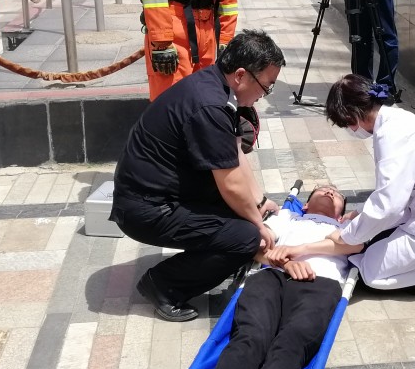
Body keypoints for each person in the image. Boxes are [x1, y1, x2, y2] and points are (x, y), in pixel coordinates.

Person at [170, 184, 351, 369]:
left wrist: (312, 245)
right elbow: (254, 246)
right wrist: (282, 261)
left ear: (342, 214)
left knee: (290, 345)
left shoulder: (347, 230)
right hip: (271, 276)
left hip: (321, 284)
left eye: (336, 193)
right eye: (322, 189)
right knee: (249, 337)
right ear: (305, 206)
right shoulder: (288, 219)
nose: (329, 191)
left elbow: (357, 245)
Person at [110, 29, 285, 322]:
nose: (263, 96)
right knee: (246, 238)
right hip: (146, 209)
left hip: (163, 193)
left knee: (246, 216)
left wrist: (259, 202)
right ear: (241, 75)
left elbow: (234, 155)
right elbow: (230, 184)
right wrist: (257, 225)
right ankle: (164, 285)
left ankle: (218, 255)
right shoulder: (211, 106)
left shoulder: (216, 87)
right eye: (266, 87)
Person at [273, 74, 415, 295]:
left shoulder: (392, 135)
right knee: (375, 240)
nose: (330, 192)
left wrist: (347, 235)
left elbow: (389, 204)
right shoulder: (397, 121)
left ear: (352, 115)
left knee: (370, 270)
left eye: (347, 124)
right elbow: (393, 193)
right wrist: (359, 214)